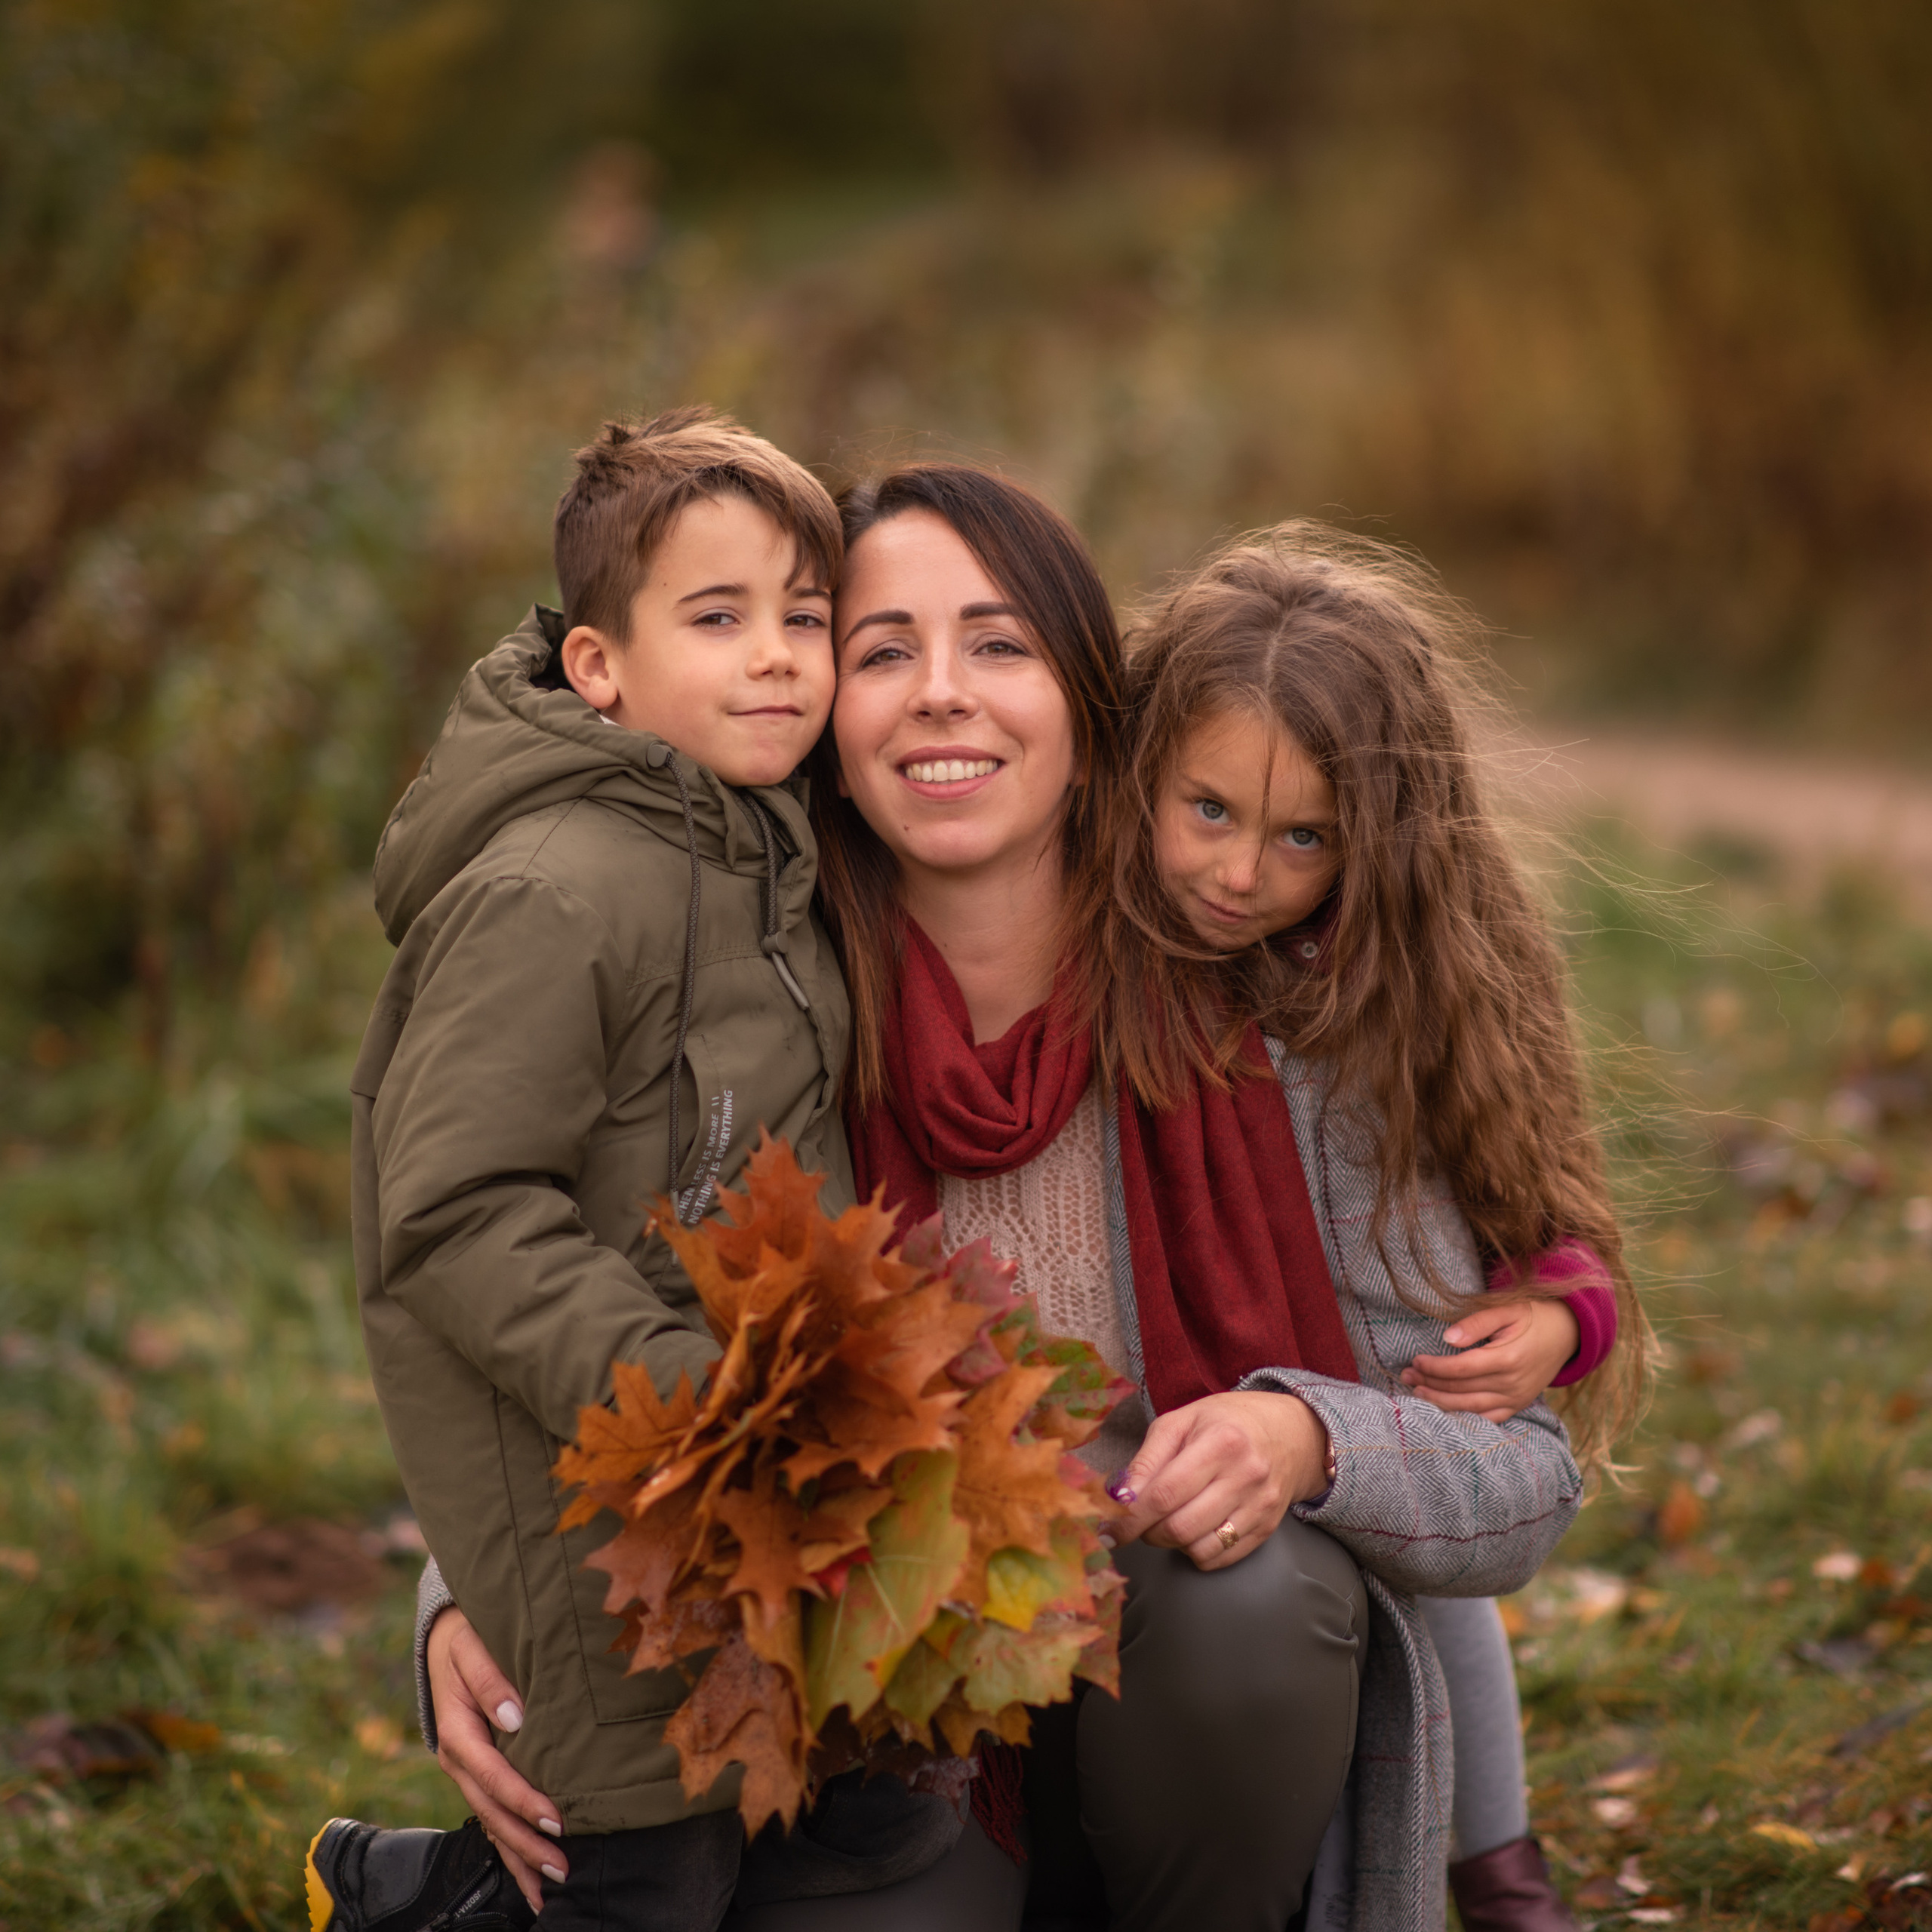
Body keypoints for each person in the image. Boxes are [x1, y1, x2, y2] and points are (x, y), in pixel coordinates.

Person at [401, 463, 1594, 1932]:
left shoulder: (1273, 1006)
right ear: (822, 709)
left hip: (1192, 1706)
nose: (940, 693)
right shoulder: (757, 1004)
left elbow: (1522, 1477)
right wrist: (459, 1595)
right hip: (892, 1735)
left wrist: (1308, 1433)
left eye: (1001, 643)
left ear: (1095, 715)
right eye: (883, 646)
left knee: (1250, 1601)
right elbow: (549, 1299)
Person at [308, 408, 971, 1932]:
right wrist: (688, 1383)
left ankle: (419, 1887)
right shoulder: (553, 889)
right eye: (718, 618)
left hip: (722, 1451)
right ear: (599, 667)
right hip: (581, 1457)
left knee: (831, 1810)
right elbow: (456, 1210)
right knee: (634, 1861)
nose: (776, 659)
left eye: (804, 618)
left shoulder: (759, 849)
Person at [1107, 521, 1651, 1930]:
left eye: (1303, 839)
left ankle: (1503, 1877)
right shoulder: (1105, 966)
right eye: (1208, 810)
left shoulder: (1423, 983)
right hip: (1207, 1469)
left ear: (1379, 842)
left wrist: (1562, 1315)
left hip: (1382, 1426)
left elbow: (1547, 1217)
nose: (1240, 873)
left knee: (1440, 1591)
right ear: (1140, 774)